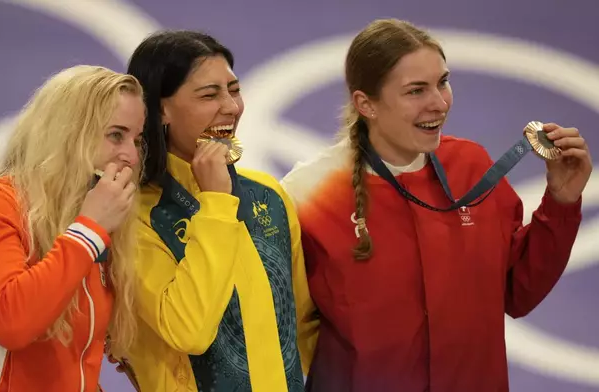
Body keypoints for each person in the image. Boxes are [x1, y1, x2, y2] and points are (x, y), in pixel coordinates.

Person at [280, 19, 592, 392]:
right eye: (416, 91)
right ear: (366, 104)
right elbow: (283, 324)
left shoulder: (472, 166)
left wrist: (561, 202)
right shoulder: (307, 194)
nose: (438, 103)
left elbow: (517, 293)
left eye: (442, 82)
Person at [115, 30, 318, 392]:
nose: (231, 107)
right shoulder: (133, 216)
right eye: (209, 95)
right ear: (160, 108)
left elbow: (304, 324)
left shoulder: (268, 195)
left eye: (234, 90)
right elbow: (189, 329)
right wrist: (217, 203)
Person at [0, 65, 146, 391]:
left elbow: (71, 367)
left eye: (137, 140)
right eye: (116, 135)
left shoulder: (86, 223)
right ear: (68, 133)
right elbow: (13, 323)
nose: (131, 155)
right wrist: (90, 229)